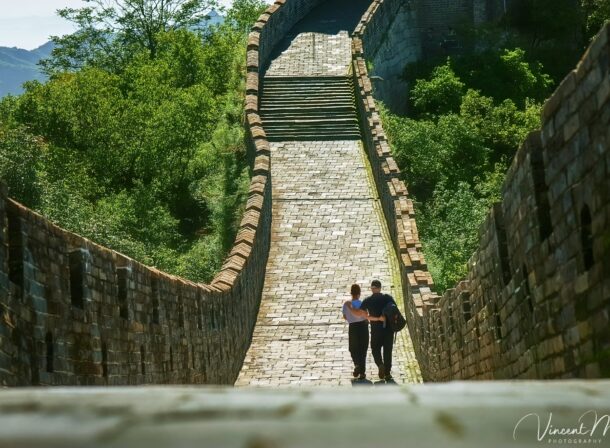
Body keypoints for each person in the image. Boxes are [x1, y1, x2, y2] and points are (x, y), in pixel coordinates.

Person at [345, 280, 396, 381]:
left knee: (375, 349)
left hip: (376, 330)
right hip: (388, 330)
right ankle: (387, 373)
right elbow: (395, 310)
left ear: (372, 289)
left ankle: (380, 364)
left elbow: (361, 314)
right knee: (388, 351)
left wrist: (350, 308)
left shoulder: (368, 300)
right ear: (380, 288)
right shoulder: (388, 298)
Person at [342, 284, 369, 380]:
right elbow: (366, 316)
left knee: (353, 348)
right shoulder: (362, 304)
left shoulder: (346, 304)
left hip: (352, 327)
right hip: (363, 327)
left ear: (351, 293)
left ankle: (357, 364)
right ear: (359, 293)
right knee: (363, 350)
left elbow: (345, 317)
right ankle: (362, 373)